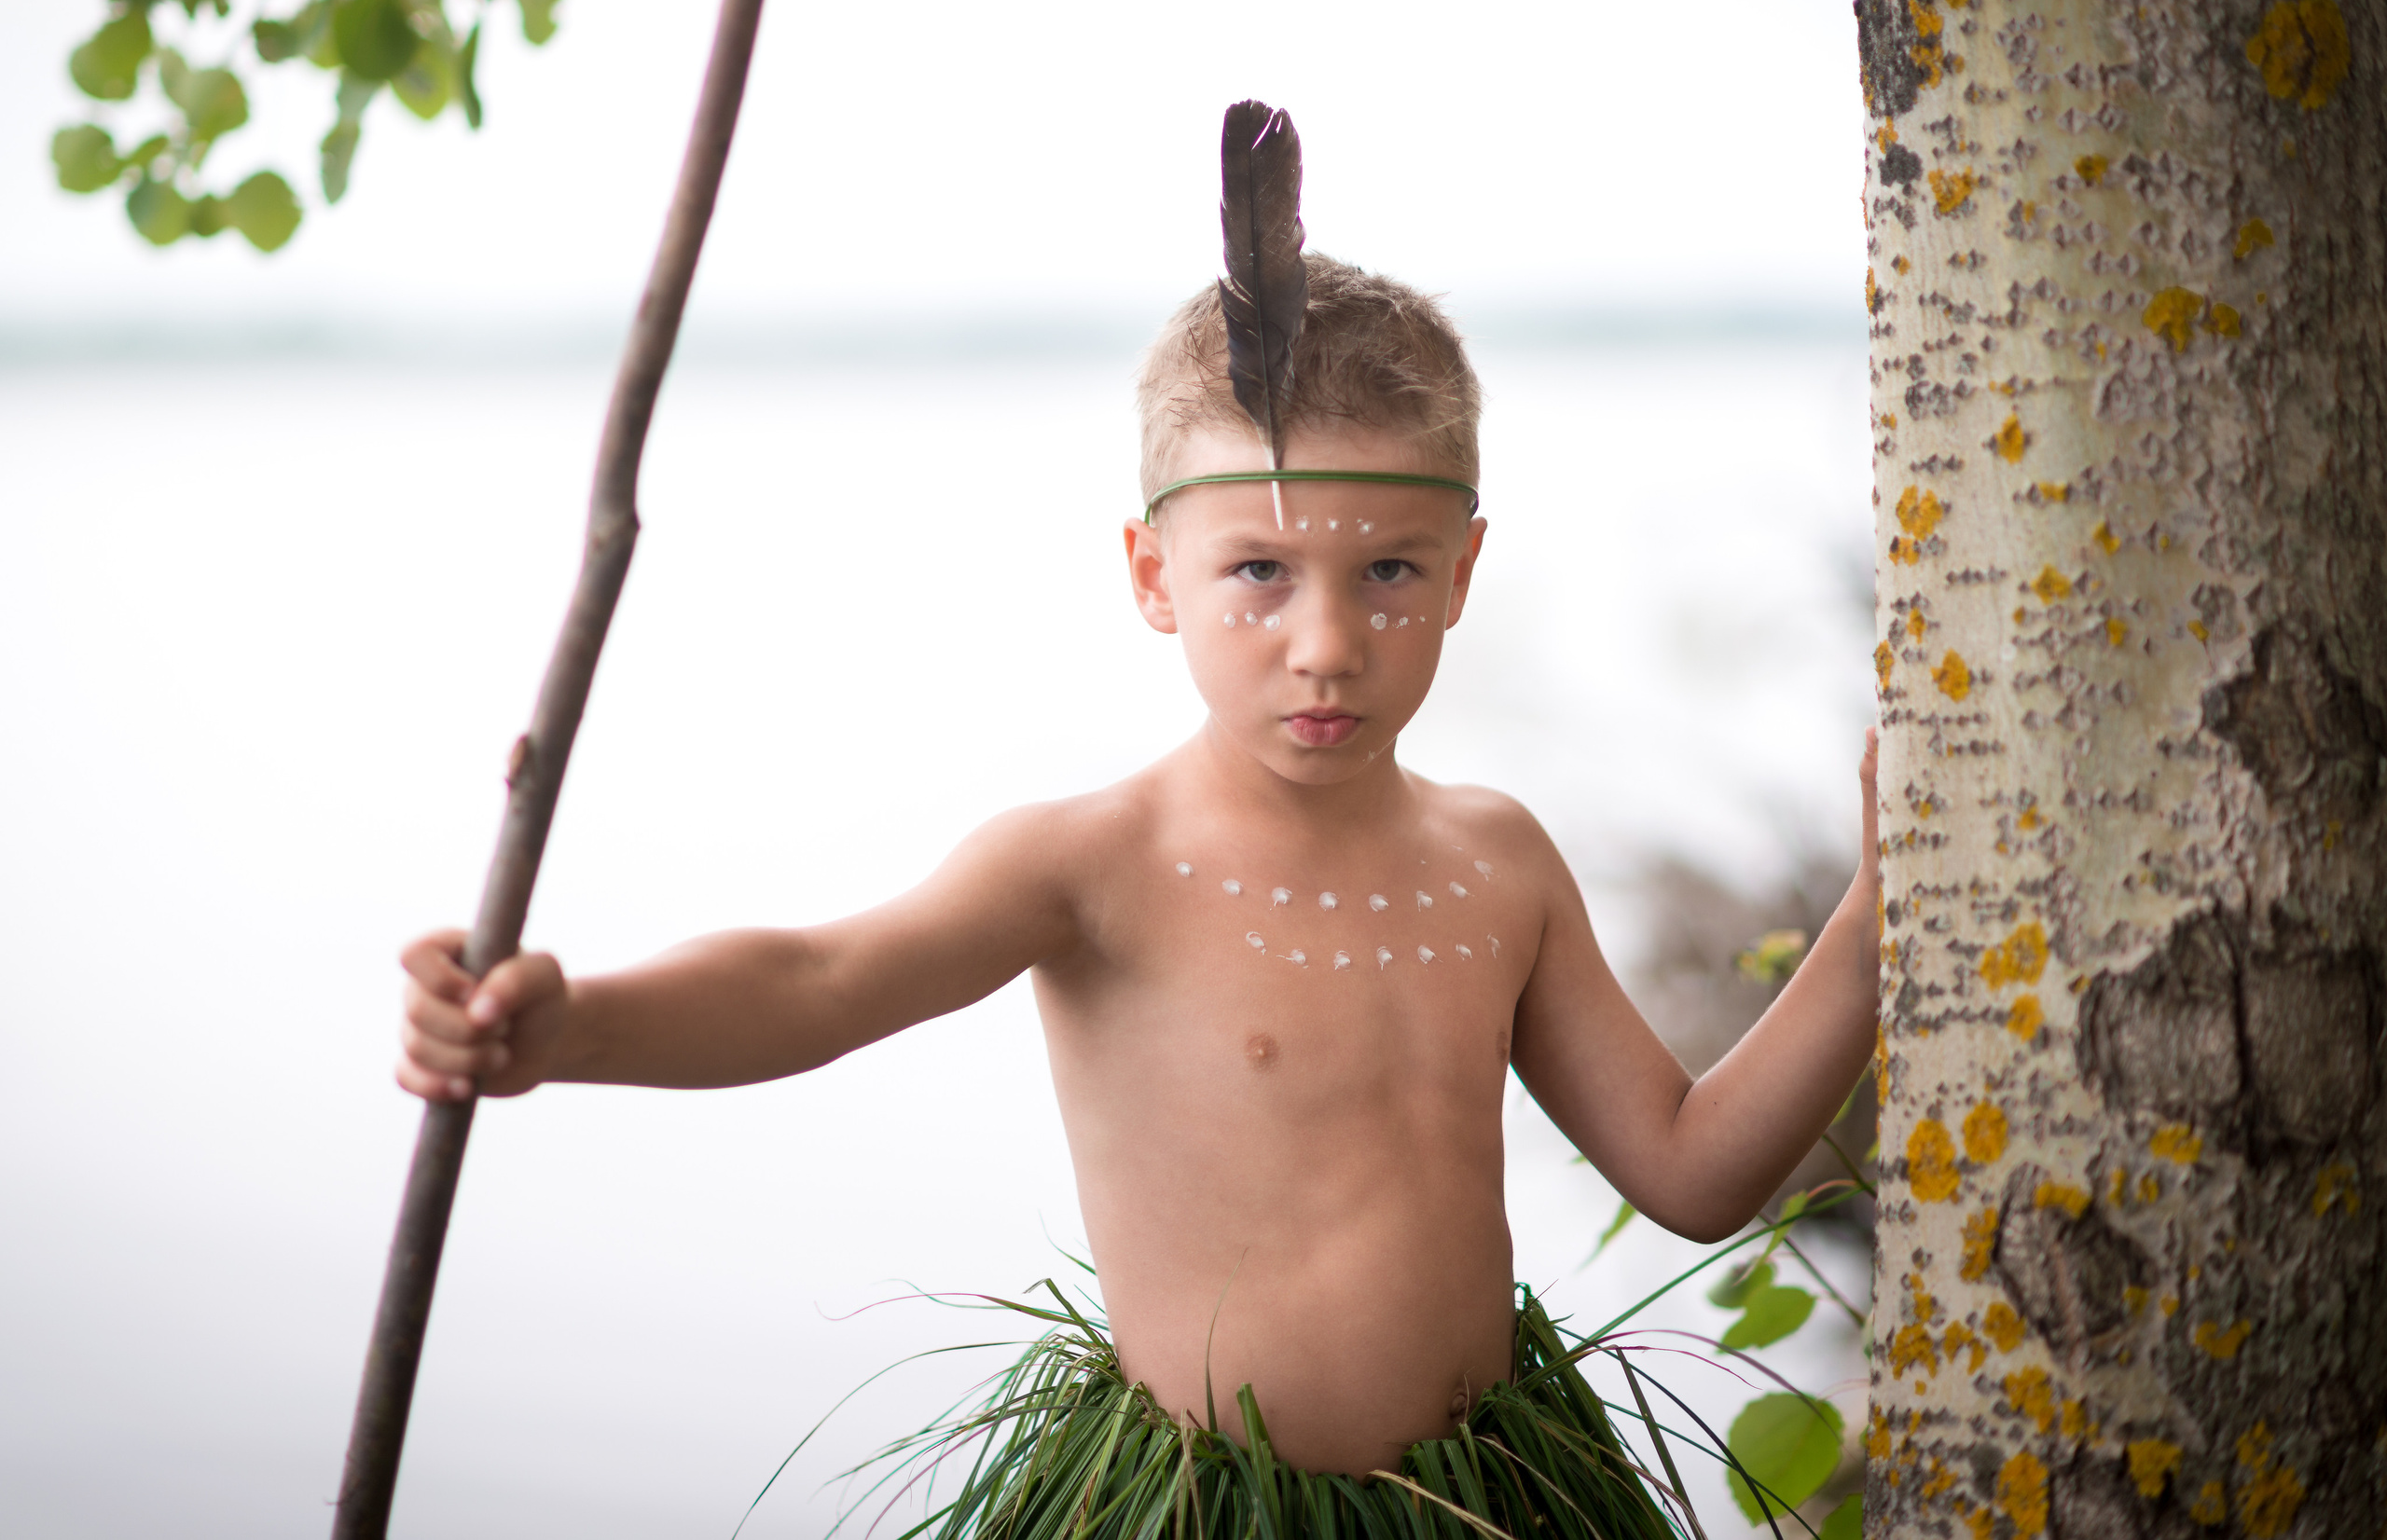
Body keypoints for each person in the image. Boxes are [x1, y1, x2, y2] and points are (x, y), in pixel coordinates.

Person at [396, 237, 1879, 1540]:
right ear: (1152, 572)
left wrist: (1884, 910)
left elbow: (1691, 1175)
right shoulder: (1098, 867)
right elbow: (821, 980)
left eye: (1389, 573)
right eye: (1259, 572)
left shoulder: (1497, 861)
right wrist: (570, 1028)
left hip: (1494, 1500)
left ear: (1465, 568)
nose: (1326, 643)